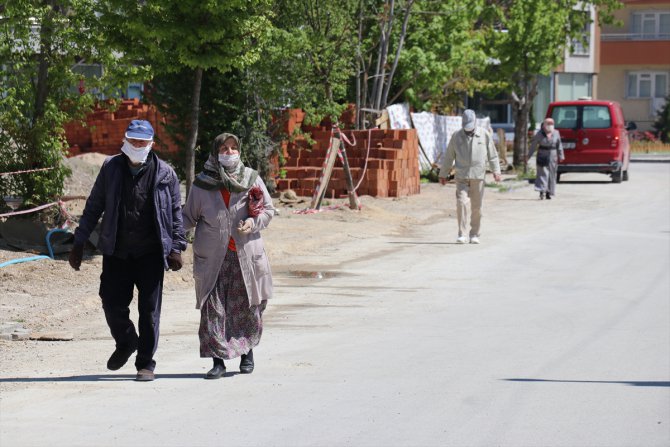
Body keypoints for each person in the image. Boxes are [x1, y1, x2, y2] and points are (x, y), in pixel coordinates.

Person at [68, 119, 186, 382]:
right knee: (111, 301)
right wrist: (79, 241)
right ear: (125, 141)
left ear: (151, 144)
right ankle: (126, 340)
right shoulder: (111, 168)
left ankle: (146, 363)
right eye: (133, 141)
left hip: (151, 252)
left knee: (149, 310)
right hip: (116, 250)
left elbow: (175, 213)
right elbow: (94, 204)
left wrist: (176, 247)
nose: (137, 146)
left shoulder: (165, 173)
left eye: (142, 142)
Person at [182, 132, 274, 380]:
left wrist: (252, 223)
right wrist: (168, 237)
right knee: (213, 311)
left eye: (234, 147)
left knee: (247, 307)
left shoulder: (251, 178)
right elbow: (187, 217)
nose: (230, 152)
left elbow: (268, 210)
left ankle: (247, 354)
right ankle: (218, 361)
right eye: (224, 148)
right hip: (212, 258)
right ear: (215, 152)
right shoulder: (202, 184)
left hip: (245, 255)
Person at [439, 109, 501, 244]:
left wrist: (496, 171)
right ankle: (462, 233)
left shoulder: (484, 135)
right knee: (461, 203)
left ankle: (474, 234)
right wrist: (443, 174)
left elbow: (492, 155)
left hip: (478, 176)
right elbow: (449, 156)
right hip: (461, 175)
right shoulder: (456, 136)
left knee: (476, 207)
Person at [528, 117, 564, 200]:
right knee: (542, 174)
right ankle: (541, 191)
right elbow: (533, 146)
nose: (550, 125)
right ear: (544, 125)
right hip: (542, 154)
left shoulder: (556, 133)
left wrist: (561, 155)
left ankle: (549, 192)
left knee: (552, 174)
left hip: (553, 155)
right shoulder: (539, 134)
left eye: (552, 123)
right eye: (548, 123)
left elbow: (559, 145)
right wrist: (528, 156)